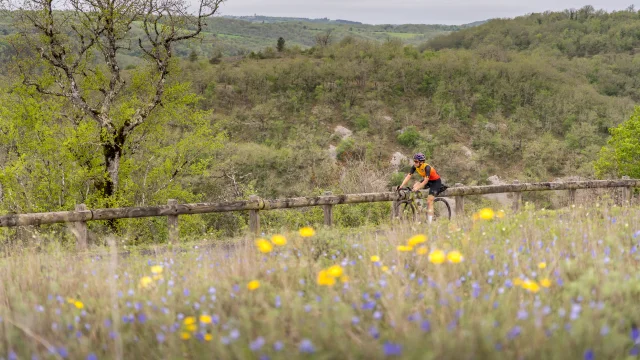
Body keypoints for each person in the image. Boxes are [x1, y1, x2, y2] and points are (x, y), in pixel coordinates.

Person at [397, 153, 442, 223]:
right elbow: (408, 176)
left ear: (421, 162)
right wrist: (401, 186)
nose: (414, 163)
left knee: (429, 201)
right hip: (427, 180)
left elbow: (425, 181)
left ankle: (429, 223)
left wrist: (418, 187)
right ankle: (421, 207)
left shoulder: (427, 167)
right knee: (414, 186)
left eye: (416, 162)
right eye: (414, 161)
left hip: (435, 182)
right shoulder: (415, 167)